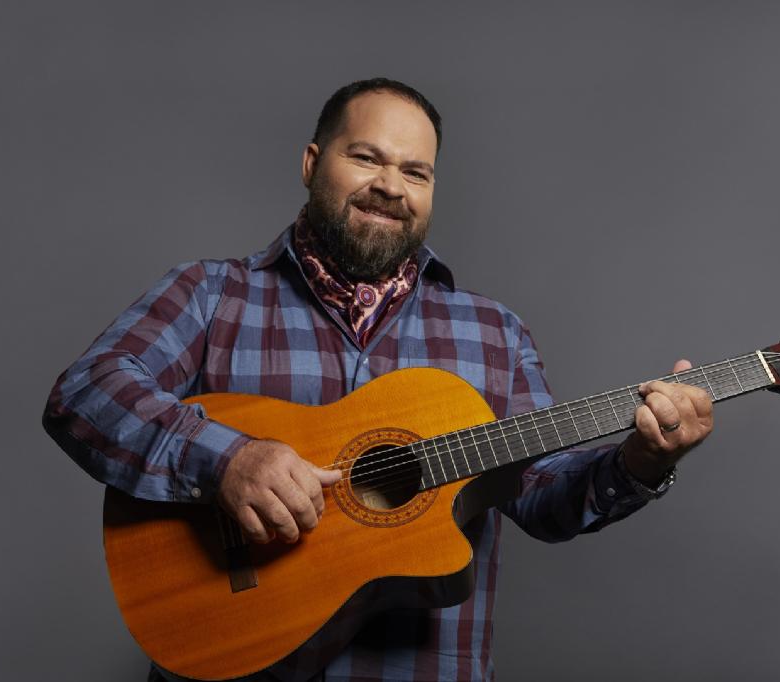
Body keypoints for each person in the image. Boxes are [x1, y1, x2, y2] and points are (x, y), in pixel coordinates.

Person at [43, 77, 713, 682]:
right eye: (366, 158)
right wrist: (226, 461)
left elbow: (544, 497)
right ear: (312, 163)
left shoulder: (493, 333)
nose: (391, 186)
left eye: (415, 172)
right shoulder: (212, 295)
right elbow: (86, 390)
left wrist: (642, 459)